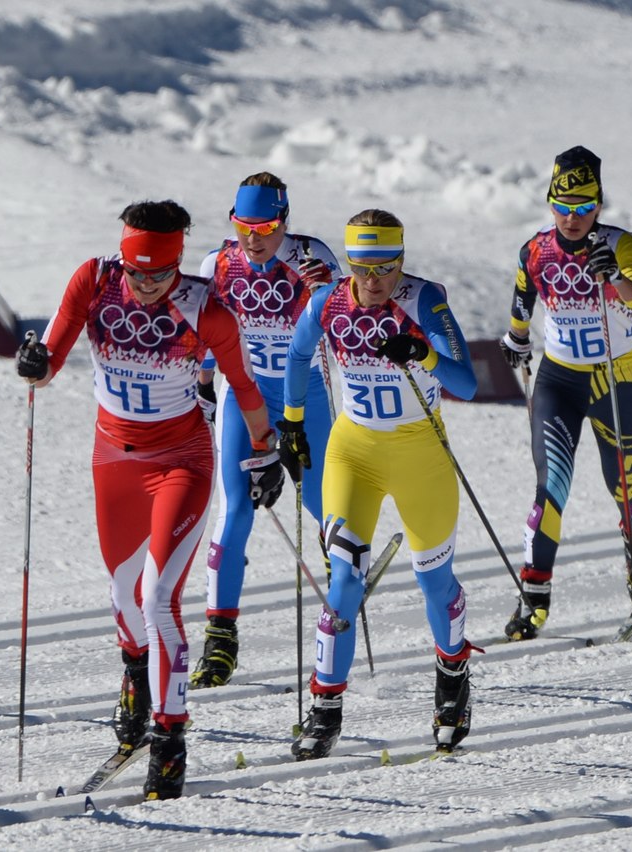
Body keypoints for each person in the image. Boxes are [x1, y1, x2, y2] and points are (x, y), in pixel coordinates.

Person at [14, 200, 284, 800]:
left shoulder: (204, 309)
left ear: (177, 261)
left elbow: (243, 386)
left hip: (180, 462)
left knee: (159, 596)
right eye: (135, 274)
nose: (143, 287)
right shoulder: (95, 279)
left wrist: (265, 453)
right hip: (112, 459)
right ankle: (136, 679)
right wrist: (33, 364)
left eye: (156, 276)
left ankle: (169, 738)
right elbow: (49, 362)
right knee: (120, 592)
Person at [277, 209, 479, 760]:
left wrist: (423, 350)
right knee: (343, 580)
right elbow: (297, 356)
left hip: (421, 456)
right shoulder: (328, 303)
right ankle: (325, 709)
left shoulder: (424, 301)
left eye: (385, 267)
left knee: (434, 584)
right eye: (362, 267)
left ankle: (452, 675)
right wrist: (292, 423)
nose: (373, 280)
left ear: (401, 262)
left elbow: (467, 382)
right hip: (354, 453)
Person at [498, 145, 632, 641]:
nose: (573, 219)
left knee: (624, 488)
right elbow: (524, 294)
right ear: (551, 204)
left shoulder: (621, 244)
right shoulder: (536, 248)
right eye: (563, 208)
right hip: (560, 380)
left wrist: (614, 280)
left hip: (618, 378)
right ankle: (534, 598)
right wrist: (516, 338)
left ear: (599, 207)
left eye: (583, 208)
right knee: (552, 489)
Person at [190, 172, 342, 689]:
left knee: (322, 503)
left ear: (285, 222)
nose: (253, 238)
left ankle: (342, 587)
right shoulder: (219, 264)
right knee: (234, 508)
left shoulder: (311, 256)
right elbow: (209, 330)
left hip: (308, 398)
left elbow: (341, 326)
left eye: (266, 226)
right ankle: (220, 637)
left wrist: (325, 291)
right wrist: (205, 387)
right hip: (246, 396)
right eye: (242, 225)